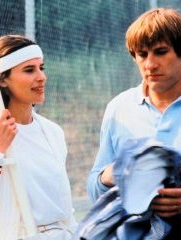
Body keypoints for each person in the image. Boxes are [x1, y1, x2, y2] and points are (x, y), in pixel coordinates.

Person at [0, 34, 77, 240]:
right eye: (29, 70)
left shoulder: (52, 131)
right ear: (2, 79)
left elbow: (65, 210)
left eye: (41, 68)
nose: (41, 76)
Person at [87, 7, 181, 238]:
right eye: (142, 54)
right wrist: (111, 175)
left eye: (160, 52)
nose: (150, 64)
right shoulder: (119, 108)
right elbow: (94, 187)